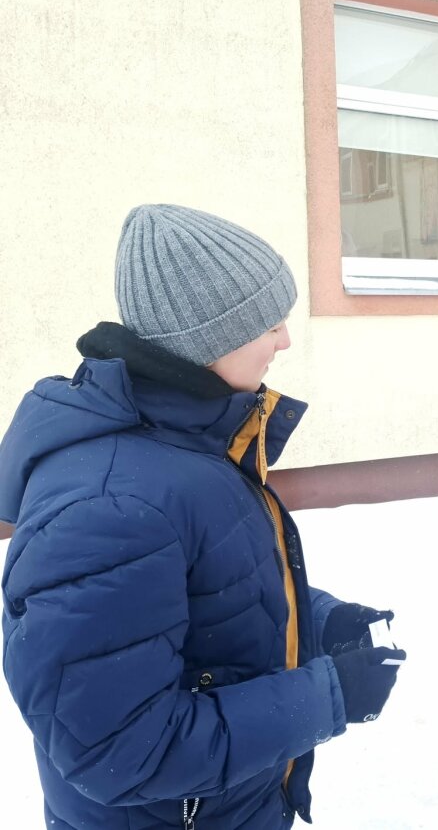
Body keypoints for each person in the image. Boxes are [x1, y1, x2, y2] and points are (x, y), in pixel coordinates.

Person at [0, 204, 403, 829]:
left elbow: (210, 595)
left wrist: (318, 619)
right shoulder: (113, 505)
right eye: (267, 322)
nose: (284, 340)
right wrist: (327, 697)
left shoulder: (188, 448)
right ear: (207, 339)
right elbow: (118, 751)